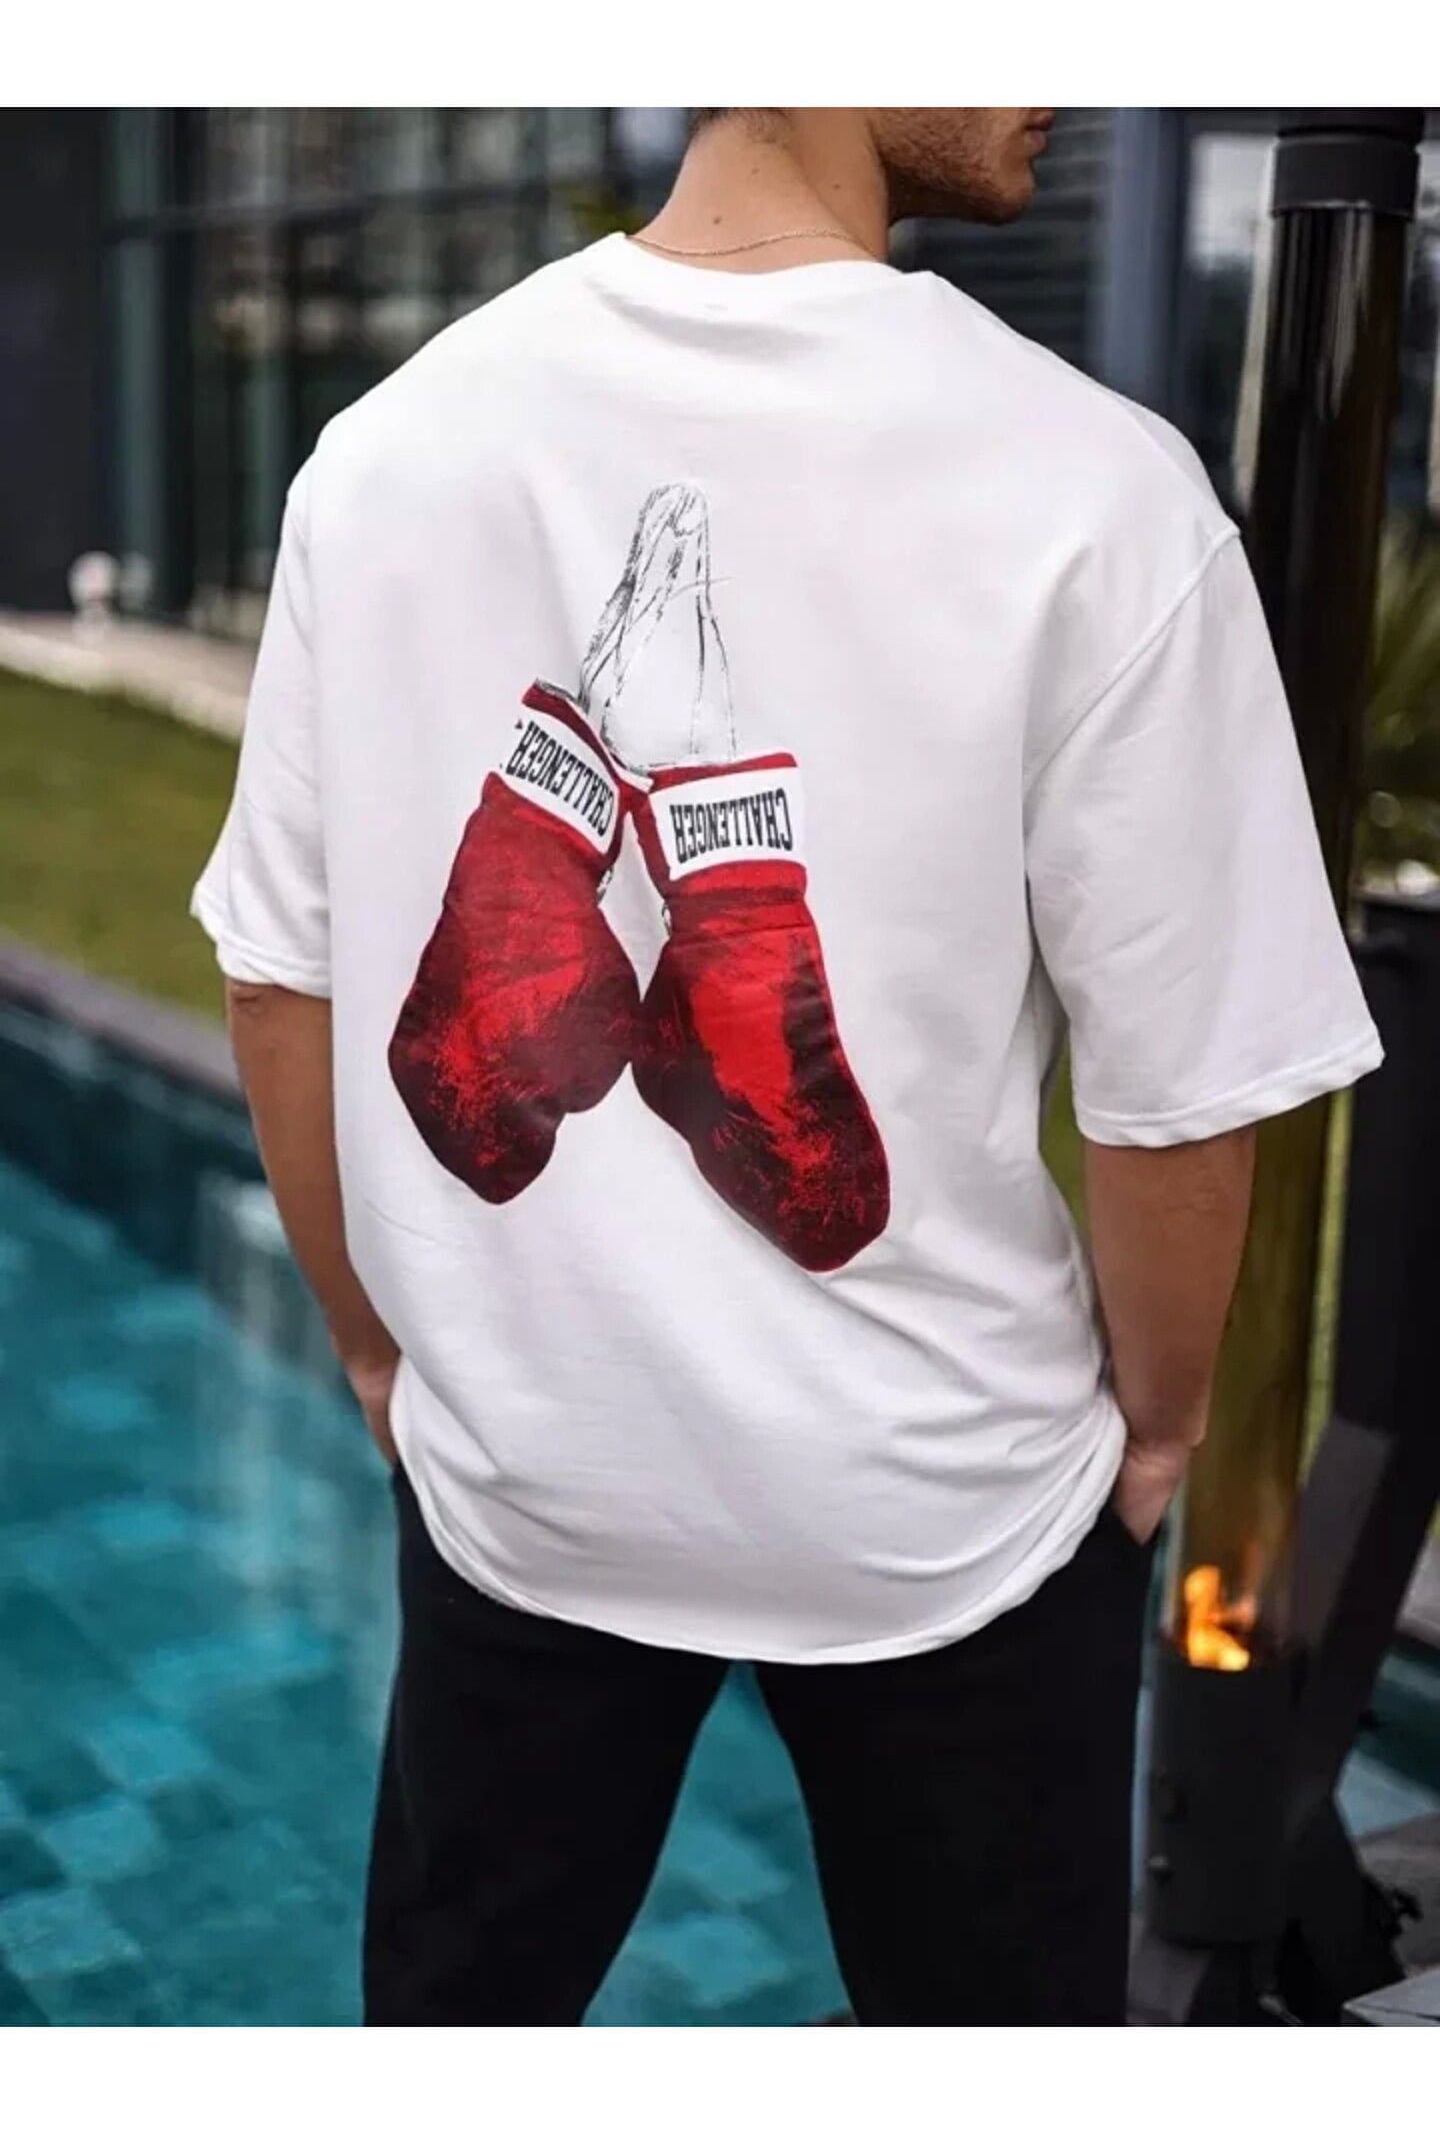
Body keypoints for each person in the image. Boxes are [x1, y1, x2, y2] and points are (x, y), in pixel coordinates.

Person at [192, 107, 1382, 2026]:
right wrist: (1158, 1433)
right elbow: (1181, 1099)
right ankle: (707, 828)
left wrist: (377, 1350)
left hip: (527, 1471)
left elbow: (281, 986)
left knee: (458, 2020)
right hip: (945, 1504)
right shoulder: (1095, 489)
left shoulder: (391, 450)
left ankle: (594, 791)